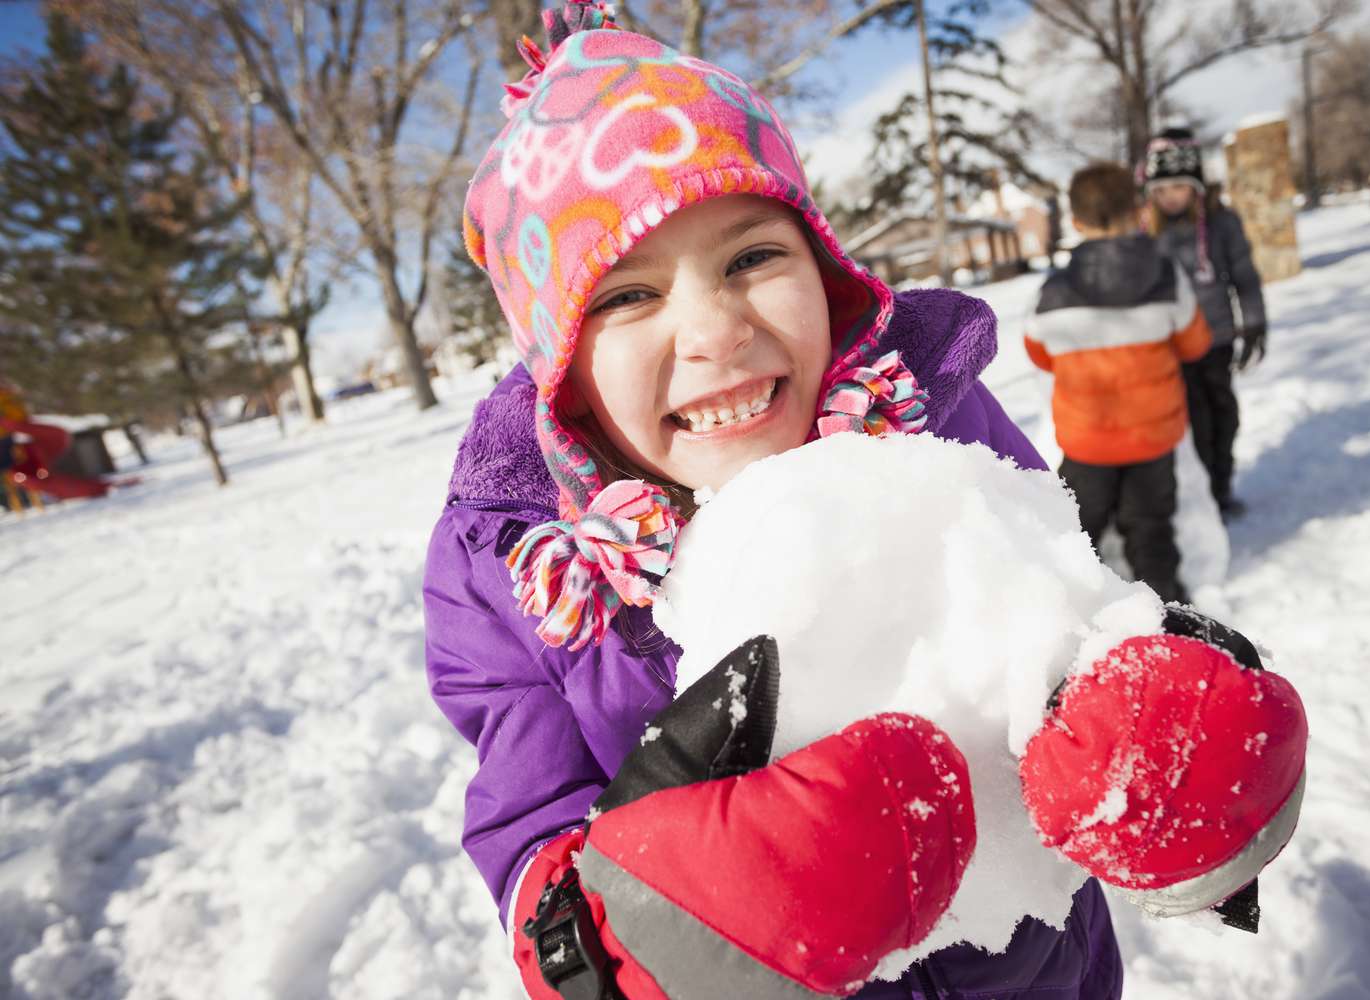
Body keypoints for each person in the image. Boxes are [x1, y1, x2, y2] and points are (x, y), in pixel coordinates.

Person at [423, 6, 1307, 997]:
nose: (714, 330)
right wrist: (627, 941)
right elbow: (528, 820)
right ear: (561, 366)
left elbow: (1065, 608)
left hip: (1031, 973)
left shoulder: (920, 416)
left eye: (752, 258)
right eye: (626, 296)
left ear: (823, 267)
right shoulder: (513, 566)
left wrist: (1174, 749)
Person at [1023, 163, 1211, 604]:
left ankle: (1074, 606)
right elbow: (1195, 343)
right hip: (1153, 437)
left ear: (1075, 222)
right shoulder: (1167, 278)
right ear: (1136, 211)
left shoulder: (1052, 293)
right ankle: (1165, 611)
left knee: (1078, 528)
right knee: (1151, 529)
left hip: (1087, 440)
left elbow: (1039, 353)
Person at [1142, 127, 1267, 520]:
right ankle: (1204, 496)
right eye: (1160, 190)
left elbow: (1244, 276)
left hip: (1218, 338)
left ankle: (1222, 487)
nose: (1169, 197)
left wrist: (1254, 324)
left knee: (1222, 415)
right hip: (1172, 346)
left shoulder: (1221, 223)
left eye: (1177, 187)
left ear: (1195, 185)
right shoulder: (1149, 232)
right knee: (1194, 421)